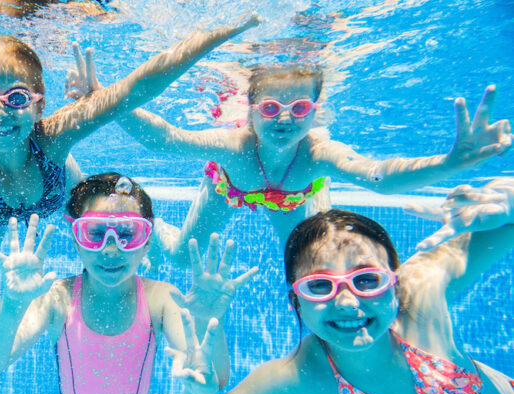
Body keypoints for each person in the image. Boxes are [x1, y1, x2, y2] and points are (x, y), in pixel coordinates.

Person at [0, 0, 260, 330]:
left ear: (39, 104)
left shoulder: (52, 138)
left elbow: (134, 89)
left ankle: (148, 240)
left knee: (103, 215)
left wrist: (212, 36)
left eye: (16, 98)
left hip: (58, 185)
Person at [67, 60, 513, 264]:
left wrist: (451, 162)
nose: (284, 119)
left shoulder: (317, 152)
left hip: (298, 198)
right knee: (184, 257)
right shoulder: (234, 146)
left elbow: (377, 177)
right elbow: (166, 140)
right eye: (270, 109)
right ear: (251, 110)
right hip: (231, 189)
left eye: (298, 109)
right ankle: (162, 230)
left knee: (314, 259)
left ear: (315, 112)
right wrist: (104, 98)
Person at [168, 178, 514, 394]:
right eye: (319, 286)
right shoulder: (298, 376)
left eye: (366, 280)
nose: (348, 303)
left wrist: (507, 199)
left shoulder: (422, 288)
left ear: (394, 281)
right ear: (296, 302)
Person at [0, 173, 259, 394]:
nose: (111, 249)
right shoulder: (56, 298)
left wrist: (209, 320)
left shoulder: (161, 299)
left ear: (146, 242)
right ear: (76, 239)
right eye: (95, 233)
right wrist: (11, 305)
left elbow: (212, 377)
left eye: (127, 233)